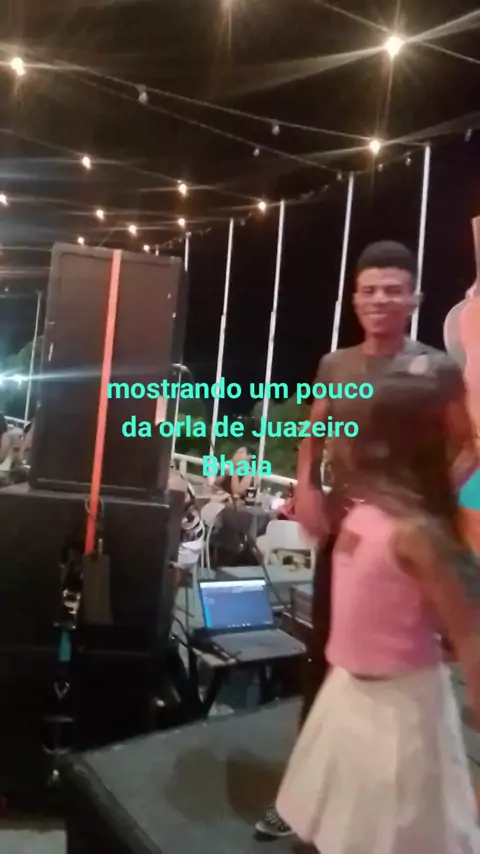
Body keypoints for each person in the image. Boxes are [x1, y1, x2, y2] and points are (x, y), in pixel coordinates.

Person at [256, 240, 479, 838]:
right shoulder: (338, 366)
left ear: (414, 298)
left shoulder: (434, 370)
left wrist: (430, 500)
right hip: (349, 533)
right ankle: (306, 800)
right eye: (370, 290)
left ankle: (413, 811)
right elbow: (313, 433)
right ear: (354, 300)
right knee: (327, 657)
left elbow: (467, 444)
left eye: (393, 289)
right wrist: (307, 488)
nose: (381, 299)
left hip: (410, 545)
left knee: (411, 666)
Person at [275, 371, 480, 853]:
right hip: (349, 697)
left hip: (402, 716)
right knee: (345, 829)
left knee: (391, 835)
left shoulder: (417, 535)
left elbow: (470, 638)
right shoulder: (362, 514)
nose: (343, 442)